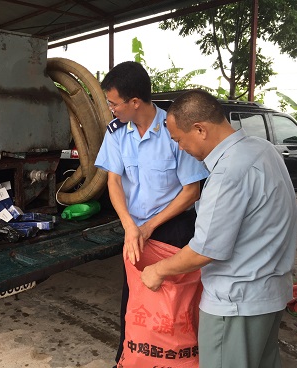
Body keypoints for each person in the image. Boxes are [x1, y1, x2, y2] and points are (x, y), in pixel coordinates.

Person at [141, 89, 297, 368]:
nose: (180, 148)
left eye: (179, 139)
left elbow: (205, 250)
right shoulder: (263, 149)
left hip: (236, 304)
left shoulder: (227, 174)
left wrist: (157, 270)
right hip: (270, 297)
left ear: (200, 129)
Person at [94, 62, 209, 366]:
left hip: (175, 228)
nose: (110, 109)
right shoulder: (116, 133)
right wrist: (131, 227)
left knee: (178, 303)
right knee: (135, 300)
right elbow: (114, 181)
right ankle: (129, 357)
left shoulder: (174, 130)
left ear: (134, 102)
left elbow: (190, 192)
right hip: (136, 229)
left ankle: (178, 357)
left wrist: (149, 227)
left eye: (113, 103)